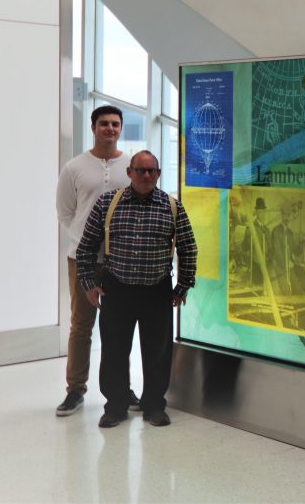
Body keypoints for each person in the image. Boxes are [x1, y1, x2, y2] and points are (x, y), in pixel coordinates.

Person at [75, 150, 197, 428]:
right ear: (129, 172)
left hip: (157, 291)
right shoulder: (108, 203)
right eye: (140, 170)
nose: (145, 176)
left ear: (158, 174)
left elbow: (188, 247)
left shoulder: (171, 206)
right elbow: (86, 247)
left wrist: (184, 285)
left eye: (151, 171)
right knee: (115, 351)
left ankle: (154, 405)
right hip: (117, 290)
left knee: (157, 352)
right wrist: (88, 284)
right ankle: (116, 406)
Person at [54, 105, 139, 416]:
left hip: (121, 260)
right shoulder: (75, 167)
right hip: (83, 259)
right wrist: (86, 239)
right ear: (93, 127)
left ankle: (123, 389)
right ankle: (75, 390)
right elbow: (66, 212)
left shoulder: (132, 165)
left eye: (116, 124)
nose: (110, 129)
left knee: (120, 327)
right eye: (104, 124)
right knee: (81, 326)